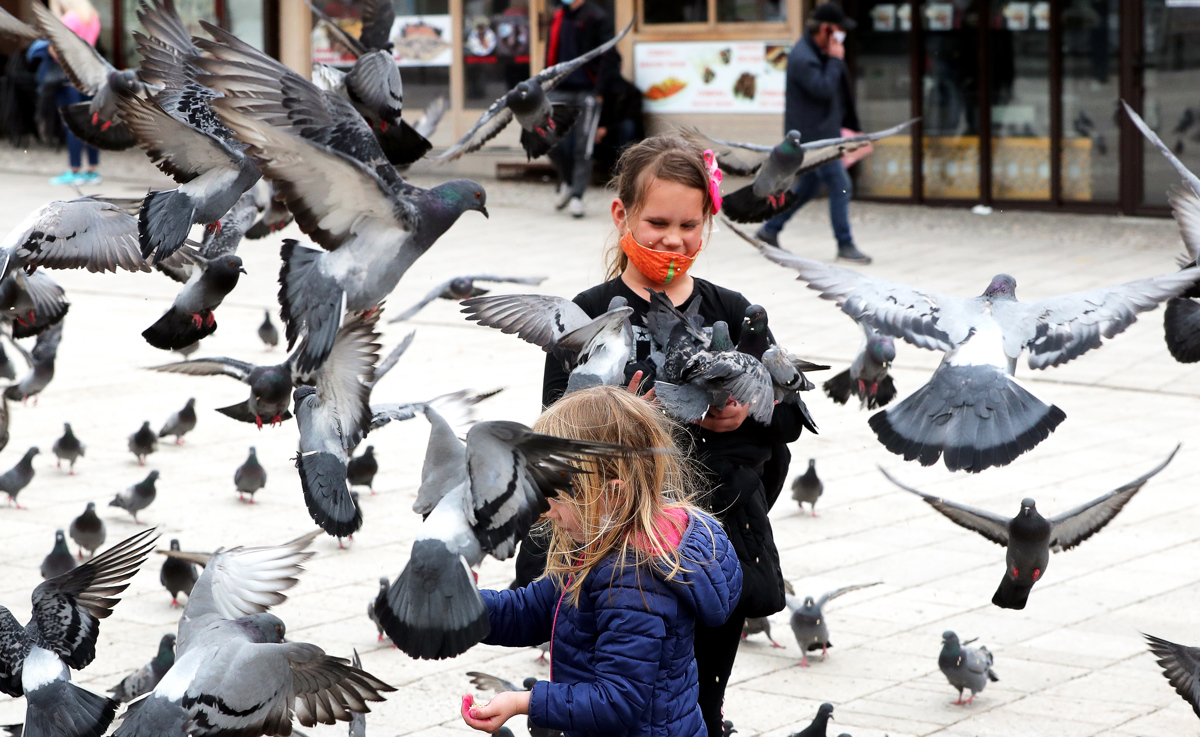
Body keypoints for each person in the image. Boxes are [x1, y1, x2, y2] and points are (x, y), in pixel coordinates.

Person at [516, 135, 811, 737]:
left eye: (688, 225)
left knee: (699, 703)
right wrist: (629, 416)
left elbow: (789, 419)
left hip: (708, 547)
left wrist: (744, 414)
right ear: (621, 215)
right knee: (605, 701)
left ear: (709, 223)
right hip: (612, 554)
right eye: (656, 222)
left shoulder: (733, 310)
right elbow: (557, 424)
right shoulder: (589, 311)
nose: (673, 240)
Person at [461, 385, 742, 737]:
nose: (545, 509)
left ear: (612, 492)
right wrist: (462, 608)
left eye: (556, 495)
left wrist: (524, 703)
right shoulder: (603, 542)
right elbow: (533, 609)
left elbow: (617, 701)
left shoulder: (634, 580)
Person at [755, 2, 870, 264]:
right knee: (840, 185)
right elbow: (824, 89)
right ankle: (845, 243)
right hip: (812, 139)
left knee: (807, 188)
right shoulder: (804, 56)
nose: (843, 36)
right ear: (826, 29)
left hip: (820, 134)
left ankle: (769, 230)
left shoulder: (816, 52)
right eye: (839, 30)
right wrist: (835, 59)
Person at [545, 0, 616, 219]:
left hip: (587, 90)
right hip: (558, 89)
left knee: (583, 146)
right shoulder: (559, 16)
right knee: (546, 138)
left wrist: (599, 90)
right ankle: (566, 181)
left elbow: (608, 55)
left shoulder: (596, 16)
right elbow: (550, 53)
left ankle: (577, 195)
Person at [41, 0, 103, 185]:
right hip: (89, 74)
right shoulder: (93, 18)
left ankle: (74, 170)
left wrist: (47, 48)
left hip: (70, 75)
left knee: (72, 122)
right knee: (90, 120)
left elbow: (57, 49)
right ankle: (92, 170)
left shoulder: (70, 19)